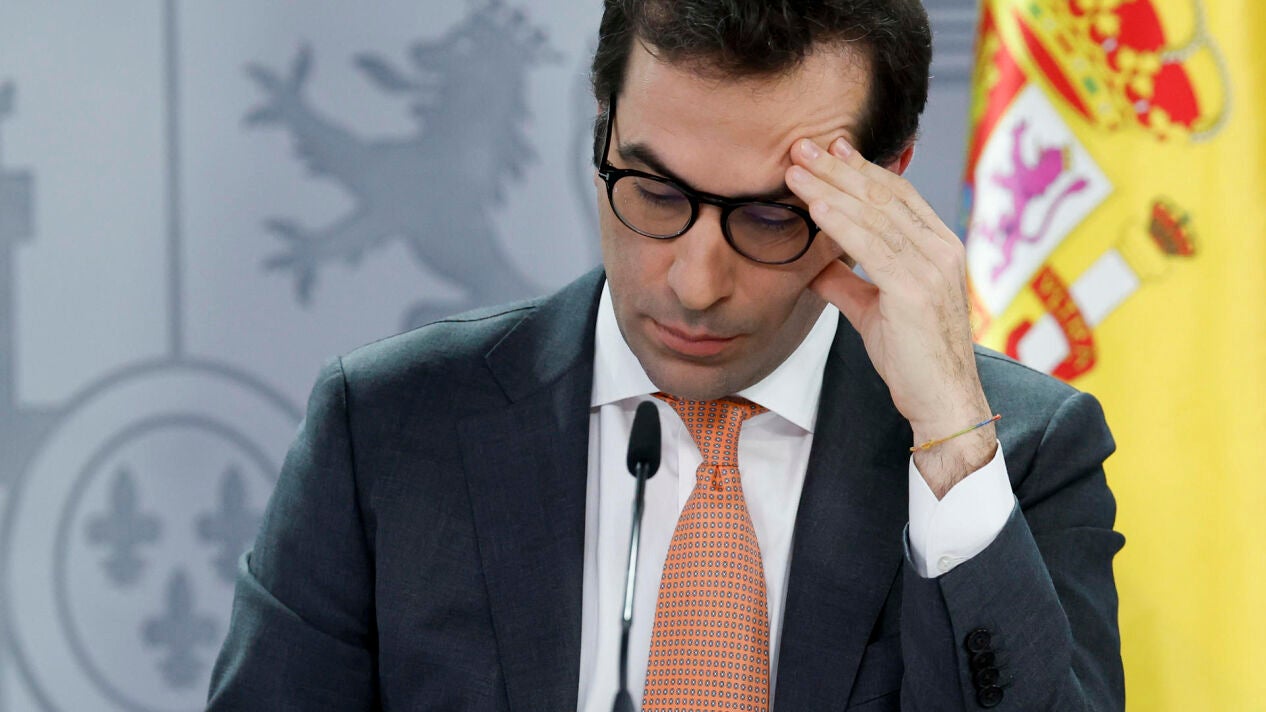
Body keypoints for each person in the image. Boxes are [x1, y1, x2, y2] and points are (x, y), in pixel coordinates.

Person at [207, 0, 1125, 709]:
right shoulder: (388, 427)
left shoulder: (1018, 458)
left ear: (884, 186)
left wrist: (951, 444)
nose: (694, 282)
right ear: (599, 128)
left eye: (770, 216)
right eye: (652, 191)